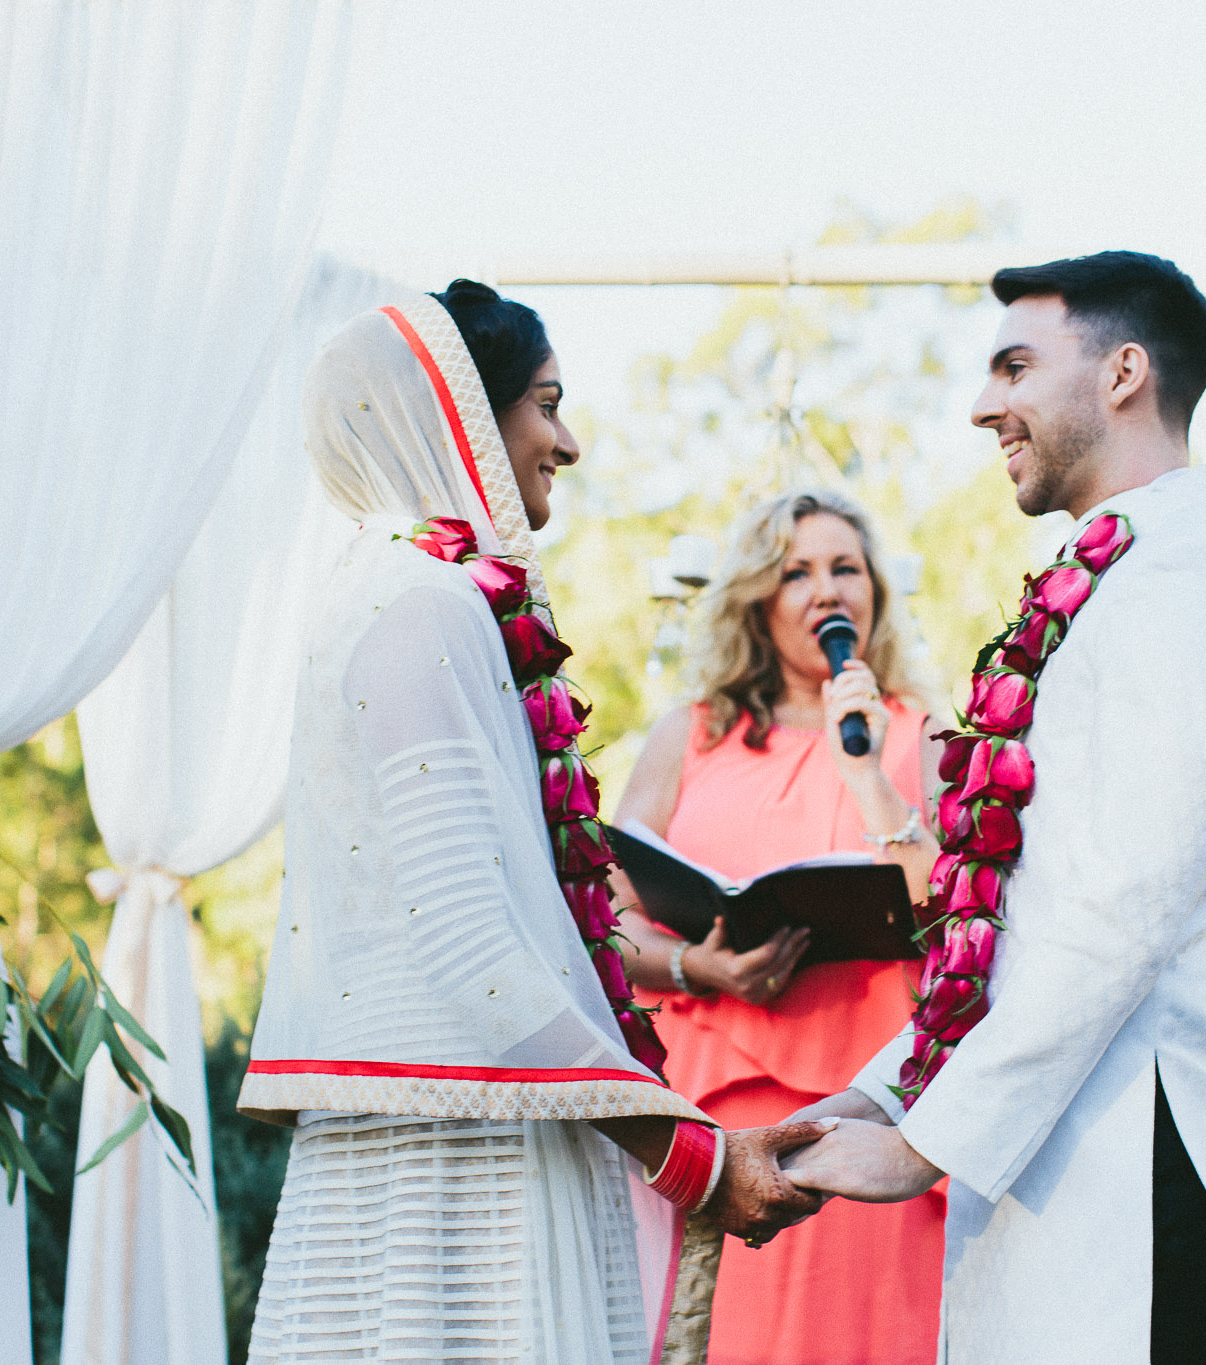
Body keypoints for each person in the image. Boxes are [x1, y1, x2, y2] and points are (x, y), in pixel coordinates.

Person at [237, 283, 825, 1364]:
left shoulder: (382, 592)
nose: (569, 441)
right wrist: (690, 1157)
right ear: (459, 409)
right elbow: (467, 947)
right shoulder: (425, 604)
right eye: (545, 405)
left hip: (435, 1136)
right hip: (457, 1177)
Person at [782, 253, 1206, 1365]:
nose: (982, 407)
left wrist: (923, 1146)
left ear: (1123, 373)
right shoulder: (1118, 581)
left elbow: (1118, 912)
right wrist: (876, 1100)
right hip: (1071, 1165)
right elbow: (1018, 920)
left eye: (1014, 367)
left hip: (1144, 1172)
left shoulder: (1187, 586)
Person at [608, 489, 946, 1365]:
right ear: (757, 599)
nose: (826, 589)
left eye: (845, 567)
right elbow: (601, 907)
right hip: (709, 1119)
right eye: (796, 572)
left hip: (867, 1122)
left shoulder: (923, 733)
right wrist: (695, 966)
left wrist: (867, 773)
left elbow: (956, 910)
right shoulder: (690, 734)